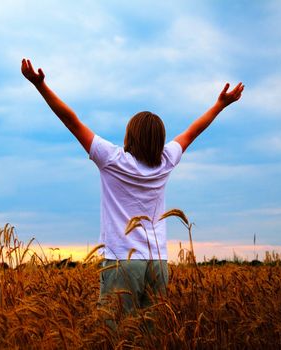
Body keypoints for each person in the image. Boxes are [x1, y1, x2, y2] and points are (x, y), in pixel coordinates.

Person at [21, 58, 244, 318]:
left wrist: (40, 86)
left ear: (130, 136)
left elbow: (72, 121)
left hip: (122, 263)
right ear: (159, 140)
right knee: (150, 336)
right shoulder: (166, 160)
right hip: (158, 262)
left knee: (115, 335)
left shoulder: (112, 159)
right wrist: (220, 105)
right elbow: (193, 131)